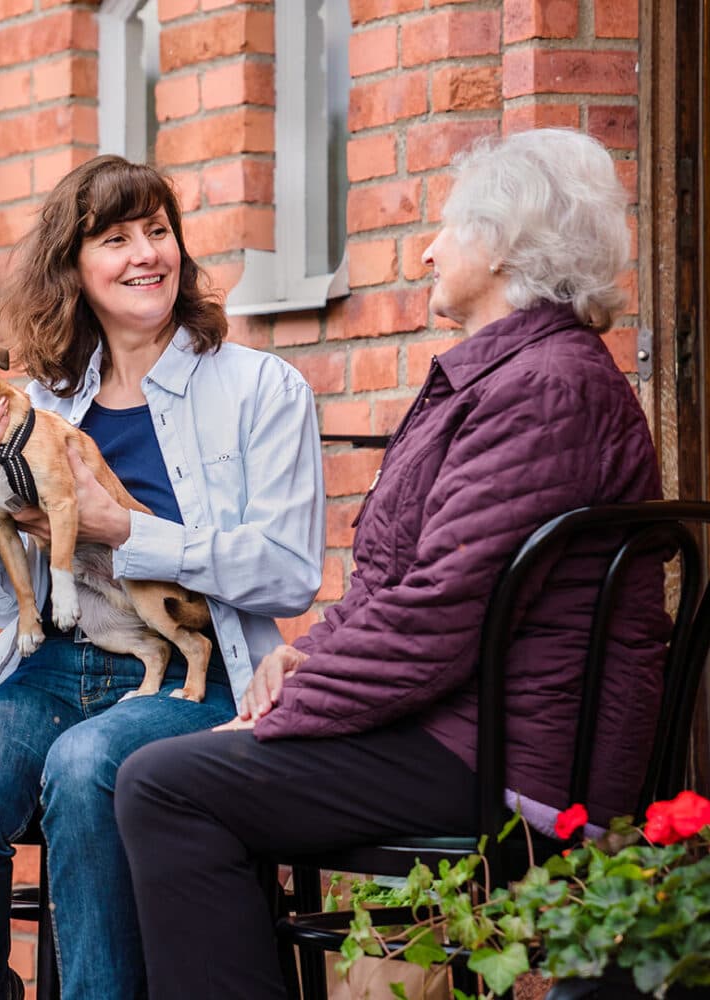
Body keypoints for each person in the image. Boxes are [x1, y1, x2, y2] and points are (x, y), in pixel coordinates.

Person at [115, 128, 668, 1000]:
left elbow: (442, 611)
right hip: (463, 726)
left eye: (450, 227)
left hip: (509, 757)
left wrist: (283, 711)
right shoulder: (516, 378)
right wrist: (305, 654)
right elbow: (400, 585)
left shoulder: (544, 391)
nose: (427, 248)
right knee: (174, 773)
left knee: (168, 783)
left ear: (508, 246)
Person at [0, 155, 326, 1000]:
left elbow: (288, 575)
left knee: (87, 767)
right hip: (54, 667)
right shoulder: (43, 402)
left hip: (197, 671)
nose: (146, 255)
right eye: (115, 239)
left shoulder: (260, 388)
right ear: (75, 269)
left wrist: (125, 531)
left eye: (159, 232)